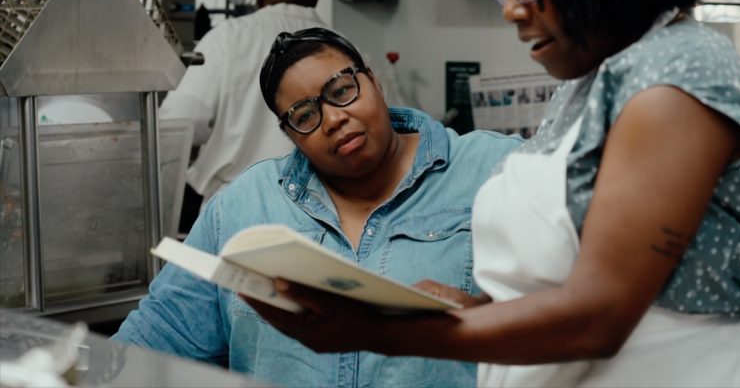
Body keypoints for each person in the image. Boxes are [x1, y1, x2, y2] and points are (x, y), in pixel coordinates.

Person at [246, 0, 740, 388]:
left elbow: (601, 314)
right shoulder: (591, 81)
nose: (512, 10)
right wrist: (462, 307)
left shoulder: (676, 81)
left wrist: (387, 332)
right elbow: (562, 274)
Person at [113, 27, 522, 388]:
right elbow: (159, 336)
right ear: (290, 135)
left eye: (342, 91)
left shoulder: (494, 170)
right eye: (305, 115)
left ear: (374, 82)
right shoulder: (243, 206)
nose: (333, 119)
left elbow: (566, 311)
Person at [159, 0, 329, 231]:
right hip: (322, 216)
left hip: (236, 214)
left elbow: (177, 125)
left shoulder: (227, 38)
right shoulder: (348, 48)